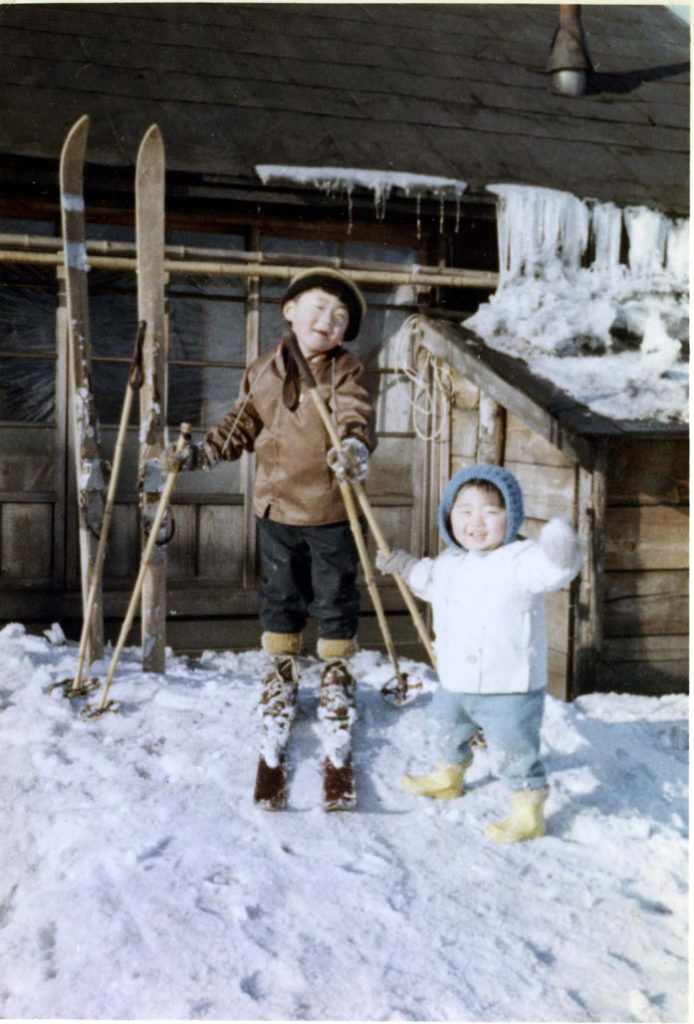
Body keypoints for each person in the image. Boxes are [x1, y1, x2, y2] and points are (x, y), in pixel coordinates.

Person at [167, 267, 376, 700]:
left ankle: (336, 667)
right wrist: (206, 451)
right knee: (280, 591)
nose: (328, 320)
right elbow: (241, 422)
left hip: (330, 509)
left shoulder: (344, 371)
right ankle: (283, 662)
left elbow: (355, 413)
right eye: (319, 308)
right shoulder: (263, 370)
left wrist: (354, 445)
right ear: (290, 311)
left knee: (335, 592)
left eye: (340, 317)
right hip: (275, 507)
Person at [376, 463, 582, 843]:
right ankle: (448, 777)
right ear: (449, 517)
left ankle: (527, 810)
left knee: (513, 749)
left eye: (491, 511)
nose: (476, 522)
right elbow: (426, 576)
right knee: (446, 729)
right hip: (456, 678)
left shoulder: (522, 559)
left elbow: (551, 570)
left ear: (511, 516)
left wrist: (560, 552)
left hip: (510, 685)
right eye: (464, 511)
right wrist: (403, 565)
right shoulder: (450, 563)